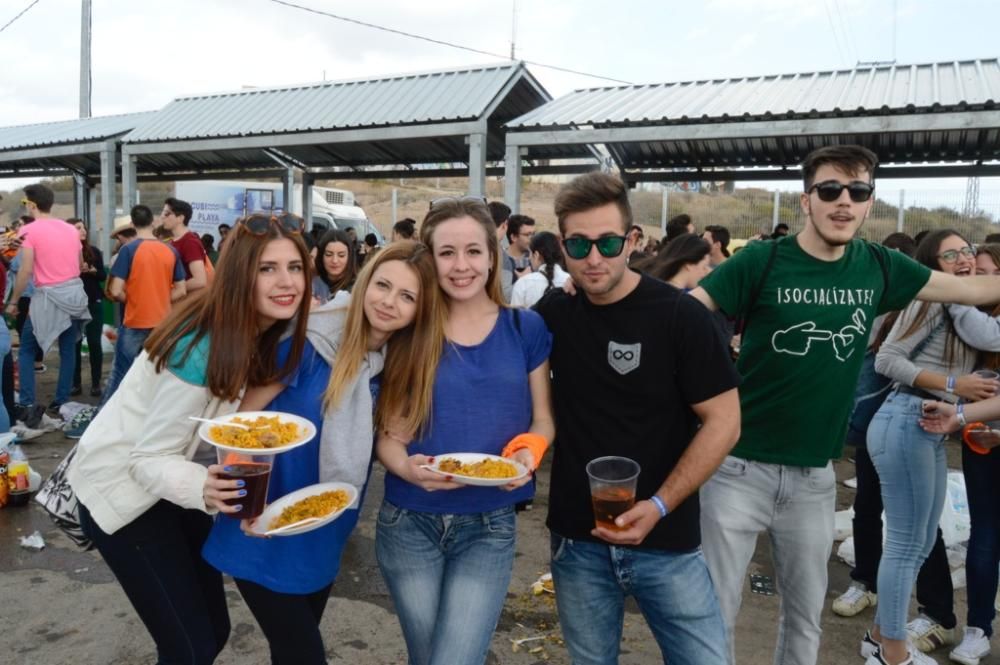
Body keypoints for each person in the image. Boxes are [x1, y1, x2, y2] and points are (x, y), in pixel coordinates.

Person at [689, 144, 1000, 665]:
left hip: (814, 477)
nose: (843, 202)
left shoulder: (878, 265)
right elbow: (686, 316)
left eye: (857, 192)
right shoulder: (763, 260)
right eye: (830, 189)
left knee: (805, 619)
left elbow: (967, 289)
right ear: (806, 199)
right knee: (714, 612)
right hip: (739, 466)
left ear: (868, 201)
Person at [67, 213, 311, 665]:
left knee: (214, 631)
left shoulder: (254, 328)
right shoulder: (204, 345)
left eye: (294, 267)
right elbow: (146, 458)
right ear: (240, 274)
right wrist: (204, 486)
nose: (286, 282)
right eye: (267, 268)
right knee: (190, 647)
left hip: (172, 489)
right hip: (122, 494)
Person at [203, 241, 444, 665]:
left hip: (325, 521)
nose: (389, 302)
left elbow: (389, 437)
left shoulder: (395, 362)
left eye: (408, 296)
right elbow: (239, 422)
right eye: (383, 285)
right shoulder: (308, 339)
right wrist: (244, 497)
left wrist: (410, 466)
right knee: (303, 654)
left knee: (292, 648)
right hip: (263, 522)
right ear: (365, 280)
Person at [535, 172, 740, 665]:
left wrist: (661, 505)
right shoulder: (551, 315)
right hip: (578, 540)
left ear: (632, 240)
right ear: (562, 247)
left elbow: (725, 422)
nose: (594, 257)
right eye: (579, 245)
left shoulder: (679, 316)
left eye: (607, 241)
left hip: (666, 539)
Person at [375, 197, 554, 665]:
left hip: (490, 523)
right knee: (429, 656)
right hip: (408, 520)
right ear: (428, 258)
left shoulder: (524, 327)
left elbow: (543, 420)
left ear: (492, 255)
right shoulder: (407, 330)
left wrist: (529, 455)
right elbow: (390, 437)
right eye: (447, 253)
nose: (461, 266)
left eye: (473, 251)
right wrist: (409, 471)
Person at [862, 230, 1000, 665]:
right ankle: (894, 654)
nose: (962, 260)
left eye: (967, 252)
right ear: (932, 263)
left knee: (919, 542)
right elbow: (886, 360)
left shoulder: (966, 311)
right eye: (951, 255)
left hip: (926, 427)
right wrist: (954, 384)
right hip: (907, 420)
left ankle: (879, 637)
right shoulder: (931, 299)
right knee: (906, 544)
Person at [912, 243, 1000, 665]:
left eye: (984, 274)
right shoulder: (971, 321)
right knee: (985, 538)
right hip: (981, 440)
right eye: (971, 272)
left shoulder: (980, 322)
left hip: (977, 426)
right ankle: (978, 627)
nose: (975, 281)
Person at [7, 184, 91, 420]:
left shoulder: (30, 231)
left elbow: (25, 271)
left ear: (31, 205)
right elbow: (80, 264)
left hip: (46, 298)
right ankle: (62, 401)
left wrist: (14, 300)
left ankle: (27, 403)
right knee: (68, 350)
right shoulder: (71, 230)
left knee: (26, 350)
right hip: (74, 295)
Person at [98, 205, 187, 408]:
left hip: (134, 321)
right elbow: (181, 290)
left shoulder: (128, 250)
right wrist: (161, 299)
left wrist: (134, 299)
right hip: (163, 324)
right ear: (153, 222)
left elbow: (116, 289)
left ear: (132, 224)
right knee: (160, 375)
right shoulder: (170, 250)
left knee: (120, 375)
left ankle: (101, 422)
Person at [69, 218, 106, 398]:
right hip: (73, 304)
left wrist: (91, 270)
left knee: (94, 343)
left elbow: (102, 275)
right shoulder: (64, 251)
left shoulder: (95, 251)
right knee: (74, 344)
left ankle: (96, 383)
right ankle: (75, 383)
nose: (82, 230)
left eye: (83, 227)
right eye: (77, 228)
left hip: (93, 301)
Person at [160, 197, 211, 297]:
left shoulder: (190, 242)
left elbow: (200, 280)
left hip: (185, 305)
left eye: (166, 214)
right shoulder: (173, 240)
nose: (162, 217)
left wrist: (173, 290)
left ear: (180, 218)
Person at [509, 231, 569, 308]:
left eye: (530, 253)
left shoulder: (524, 283)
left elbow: (514, 317)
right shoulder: (571, 281)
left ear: (536, 255)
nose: (529, 258)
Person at [312, 229, 357, 304]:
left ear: (350, 257)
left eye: (341, 255)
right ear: (321, 256)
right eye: (329, 254)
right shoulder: (313, 284)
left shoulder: (357, 289)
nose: (334, 261)